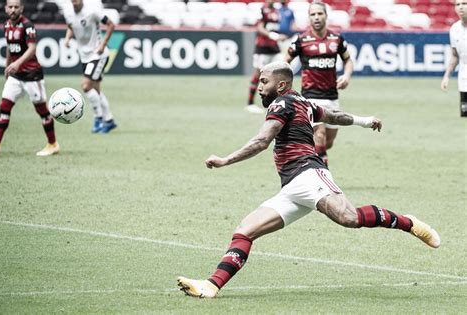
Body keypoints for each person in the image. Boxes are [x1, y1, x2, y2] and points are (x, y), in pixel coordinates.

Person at [177, 61, 440, 299]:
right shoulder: (302, 102)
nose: (259, 87)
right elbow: (334, 116)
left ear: (281, 85)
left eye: (264, 81)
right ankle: (211, 286)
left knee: (349, 218)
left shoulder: (281, 104)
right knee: (245, 231)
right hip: (292, 187)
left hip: (309, 174)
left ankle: (409, 223)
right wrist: (364, 121)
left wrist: (225, 160)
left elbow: (261, 141)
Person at [285, 2, 353, 166]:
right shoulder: (301, 40)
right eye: (313, 14)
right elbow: (285, 61)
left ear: (326, 16)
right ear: (309, 18)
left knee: (327, 142)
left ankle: (306, 155)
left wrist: (347, 75)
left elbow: (348, 60)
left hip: (332, 96)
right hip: (310, 96)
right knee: (319, 133)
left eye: (319, 14)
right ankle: (323, 178)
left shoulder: (336, 39)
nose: (316, 17)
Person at [0, 0, 59, 156]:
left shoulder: (27, 26)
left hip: (32, 75)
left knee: (42, 111)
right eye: (10, 7)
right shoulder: (7, 25)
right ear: (6, 8)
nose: (13, 10)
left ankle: (53, 144)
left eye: (16, 7)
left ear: (21, 8)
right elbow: (10, 46)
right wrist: (7, 66)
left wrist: (17, 63)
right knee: (4, 107)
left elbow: (32, 48)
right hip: (16, 76)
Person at [63, 0, 117, 133]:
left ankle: (98, 118)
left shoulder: (92, 12)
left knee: (86, 86)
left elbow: (111, 25)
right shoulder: (68, 13)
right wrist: (67, 38)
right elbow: (71, 26)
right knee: (96, 90)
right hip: (85, 56)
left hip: (98, 55)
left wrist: (103, 45)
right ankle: (109, 120)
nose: (75, 2)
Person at [246, 0, 288, 114]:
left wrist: (279, 37)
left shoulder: (277, 11)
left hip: (274, 48)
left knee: (280, 74)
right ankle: (250, 103)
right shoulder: (261, 10)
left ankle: (278, 103)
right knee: (258, 75)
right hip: (262, 48)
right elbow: (259, 28)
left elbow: (275, 27)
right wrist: (274, 36)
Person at [441, 0, 467, 117]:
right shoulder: (454, 29)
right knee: (465, 115)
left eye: (465, 3)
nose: (461, 7)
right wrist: (446, 77)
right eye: (458, 4)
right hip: (464, 78)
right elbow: (455, 56)